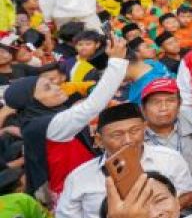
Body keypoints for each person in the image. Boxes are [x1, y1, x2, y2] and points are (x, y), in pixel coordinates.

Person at [55, 102, 192, 218]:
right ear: (99, 140)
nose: (128, 140)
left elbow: (186, 195)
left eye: (135, 131)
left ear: (144, 129)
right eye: (117, 134)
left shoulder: (170, 160)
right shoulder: (79, 177)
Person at [3, 36, 127, 199]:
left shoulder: (37, 120)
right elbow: (92, 106)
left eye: (53, 82)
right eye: (47, 88)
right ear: (33, 101)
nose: (57, 88)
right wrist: (116, 62)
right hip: (77, 196)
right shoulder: (47, 125)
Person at [140, 77, 192, 196]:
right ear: (143, 109)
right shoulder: (135, 135)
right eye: (156, 102)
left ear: (179, 104)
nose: (163, 108)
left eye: (170, 101)